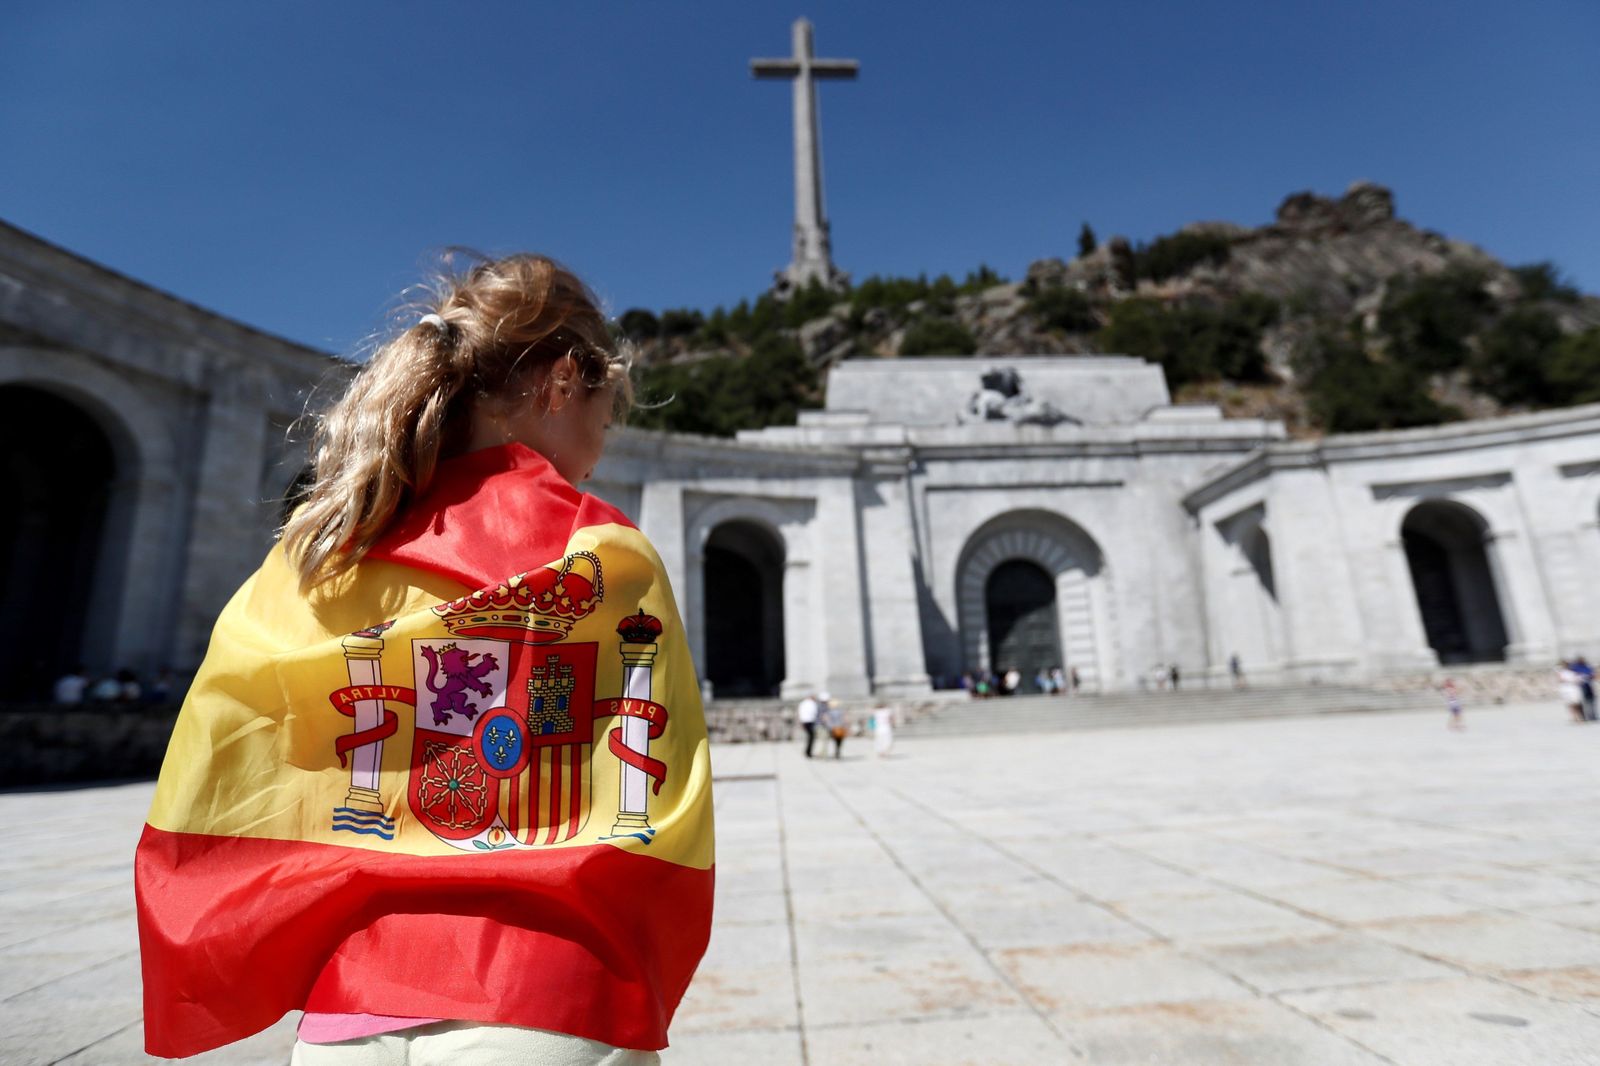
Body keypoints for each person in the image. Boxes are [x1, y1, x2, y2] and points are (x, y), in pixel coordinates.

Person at [135, 254, 712, 1065]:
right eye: (604, 418)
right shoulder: (600, 551)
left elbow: (230, 740)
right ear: (562, 383)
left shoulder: (324, 551)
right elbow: (656, 791)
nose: (597, 452)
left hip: (345, 1013)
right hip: (550, 996)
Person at [820, 694, 845, 758]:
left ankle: (826, 753)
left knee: (829, 741)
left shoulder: (828, 711)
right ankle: (837, 752)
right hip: (839, 727)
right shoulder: (840, 711)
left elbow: (826, 719)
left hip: (832, 728)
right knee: (838, 741)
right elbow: (843, 720)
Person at [797, 691, 820, 757]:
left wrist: (801, 722)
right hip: (811, 721)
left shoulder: (803, 703)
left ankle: (808, 751)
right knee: (811, 737)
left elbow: (800, 713)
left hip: (804, 721)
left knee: (810, 737)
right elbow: (815, 713)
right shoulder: (812, 703)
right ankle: (808, 752)